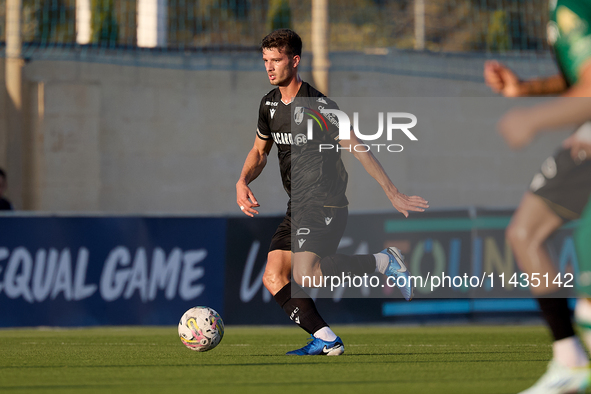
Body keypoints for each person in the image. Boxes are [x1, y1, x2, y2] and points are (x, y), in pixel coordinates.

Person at [236, 29, 429, 356]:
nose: (269, 68)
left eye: (276, 60)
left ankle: (382, 262)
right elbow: (259, 152)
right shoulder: (268, 105)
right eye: (265, 61)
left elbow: (360, 148)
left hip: (325, 203)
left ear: (294, 61)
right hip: (297, 206)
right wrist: (243, 181)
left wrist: (392, 191)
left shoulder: (319, 106)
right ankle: (325, 338)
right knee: (273, 276)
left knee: (305, 274)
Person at [484, 1, 591, 392]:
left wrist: (533, 118)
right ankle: (570, 360)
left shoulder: (573, 7)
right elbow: (580, 78)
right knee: (524, 233)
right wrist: (524, 88)